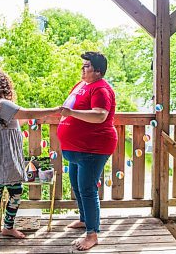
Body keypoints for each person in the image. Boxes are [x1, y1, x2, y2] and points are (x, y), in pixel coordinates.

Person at [0, 69, 60, 253]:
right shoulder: (2, 104)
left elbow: (16, 123)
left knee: (16, 192)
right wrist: (55, 110)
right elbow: (26, 113)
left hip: (4, 159)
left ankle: (8, 227)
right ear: (2, 86)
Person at [57, 51, 117, 251]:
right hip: (75, 149)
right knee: (76, 185)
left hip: (93, 148)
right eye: (82, 65)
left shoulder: (101, 89)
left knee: (88, 190)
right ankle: (84, 219)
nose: (82, 69)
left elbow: (100, 116)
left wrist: (71, 113)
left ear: (98, 71)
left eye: (87, 66)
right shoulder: (83, 85)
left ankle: (92, 234)